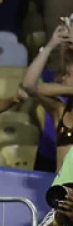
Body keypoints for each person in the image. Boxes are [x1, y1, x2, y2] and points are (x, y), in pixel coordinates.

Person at [21, 24, 73, 172]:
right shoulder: (60, 110)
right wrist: (50, 46)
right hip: (60, 183)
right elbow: (29, 85)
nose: (62, 78)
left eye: (68, 75)